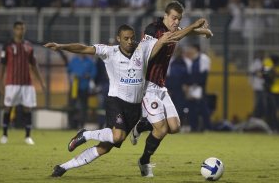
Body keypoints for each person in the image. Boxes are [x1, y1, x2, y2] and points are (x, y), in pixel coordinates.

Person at [44, 20, 210, 177]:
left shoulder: (143, 48)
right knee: (118, 137)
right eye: (125, 38)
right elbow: (83, 48)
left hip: (134, 108)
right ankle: (86, 134)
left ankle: (62, 167)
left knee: (104, 149)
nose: (130, 41)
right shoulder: (109, 52)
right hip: (116, 101)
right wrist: (61, 46)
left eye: (132, 38)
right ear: (118, 39)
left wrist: (198, 30)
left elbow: (170, 37)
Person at [129, 1, 213, 177]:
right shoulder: (153, 29)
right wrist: (194, 25)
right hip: (147, 86)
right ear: (165, 15)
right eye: (174, 18)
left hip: (161, 86)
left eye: (179, 19)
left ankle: (142, 124)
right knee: (161, 129)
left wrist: (201, 31)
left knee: (174, 127)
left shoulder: (174, 29)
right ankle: (144, 161)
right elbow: (166, 42)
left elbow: (180, 32)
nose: (176, 22)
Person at [0, 21, 46, 145]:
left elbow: (34, 65)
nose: (21, 31)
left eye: (23, 28)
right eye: (18, 28)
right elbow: (2, 66)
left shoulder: (29, 46)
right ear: (14, 30)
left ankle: (28, 136)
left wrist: (41, 81)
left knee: (27, 108)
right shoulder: (7, 46)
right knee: (8, 107)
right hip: (11, 83)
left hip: (27, 83)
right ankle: (4, 134)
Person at [182, 44, 212, 131]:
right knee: (192, 107)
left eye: (191, 48)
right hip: (191, 87)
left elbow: (204, 74)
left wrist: (196, 85)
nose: (189, 50)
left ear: (196, 49)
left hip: (199, 87)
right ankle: (193, 127)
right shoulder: (190, 60)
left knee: (202, 107)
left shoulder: (203, 58)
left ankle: (207, 127)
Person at [67, 54, 97, 129]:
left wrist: (89, 75)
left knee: (83, 106)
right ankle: (71, 124)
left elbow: (94, 73)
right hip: (74, 87)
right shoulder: (74, 60)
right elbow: (69, 70)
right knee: (71, 105)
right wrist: (72, 76)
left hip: (84, 87)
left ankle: (82, 125)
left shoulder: (90, 61)